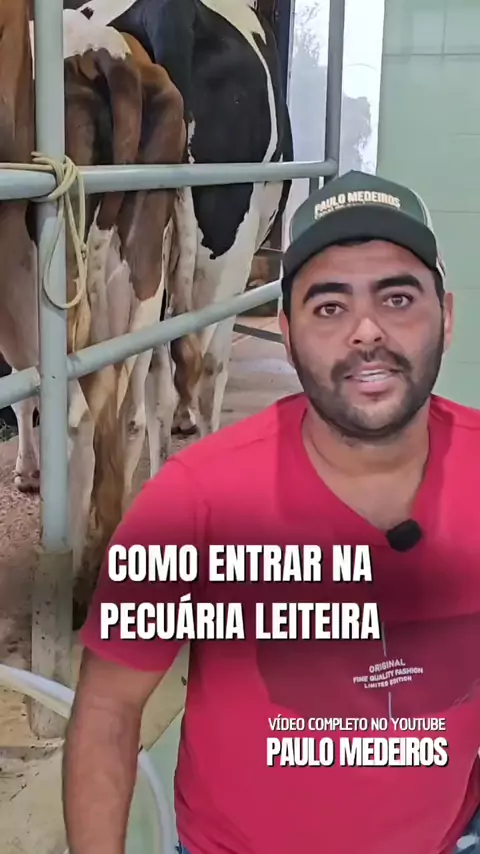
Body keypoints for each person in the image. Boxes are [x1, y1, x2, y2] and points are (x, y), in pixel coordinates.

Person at [63, 170, 480, 854]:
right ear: (286, 333)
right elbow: (109, 708)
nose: (367, 332)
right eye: (329, 307)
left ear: (448, 316)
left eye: (398, 298)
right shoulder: (198, 499)